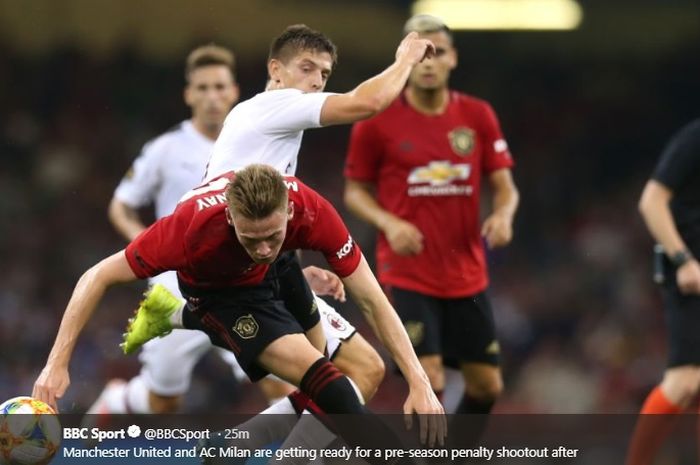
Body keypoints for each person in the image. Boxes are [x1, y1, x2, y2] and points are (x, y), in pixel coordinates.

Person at [32, 165, 446, 450]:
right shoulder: (189, 231)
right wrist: (56, 363)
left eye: (273, 234)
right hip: (222, 294)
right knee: (330, 383)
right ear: (230, 216)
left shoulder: (312, 211)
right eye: (252, 238)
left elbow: (372, 298)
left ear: (288, 209)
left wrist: (418, 382)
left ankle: (229, 447)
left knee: (368, 370)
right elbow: (96, 275)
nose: (263, 247)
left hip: (284, 272)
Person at [89, 43, 384, 416]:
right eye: (203, 88)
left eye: (220, 87)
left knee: (287, 383)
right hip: (176, 278)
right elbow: (121, 203)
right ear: (188, 94)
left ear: (233, 91)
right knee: (163, 401)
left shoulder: (262, 132)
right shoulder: (166, 148)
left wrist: (293, 274)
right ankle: (116, 399)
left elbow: (273, 224)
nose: (212, 96)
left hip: (245, 280)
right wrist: (146, 249)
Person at [343, 14, 519, 442]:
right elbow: (354, 192)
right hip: (407, 273)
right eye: (418, 52)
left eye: (435, 51)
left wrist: (503, 216)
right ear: (406, 57)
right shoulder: (378, 121)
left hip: (466, 274)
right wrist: (389, 221)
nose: (427, 61)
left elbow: (505, 187)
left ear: (451, 58)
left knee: (487, 387)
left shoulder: (477, 116)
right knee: (432, 379)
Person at [203, 23, 435, 180]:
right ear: (276, 69)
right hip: (228, 238)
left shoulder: (249, 110)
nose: (316, 82)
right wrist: (405, 61)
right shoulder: (278, 103)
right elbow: (369, 102)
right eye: (306, 68)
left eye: (324, 74)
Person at [626, 119, 700, 465]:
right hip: (690, 273)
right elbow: (651, 201)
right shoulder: (694, 138)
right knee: (685, 381)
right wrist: (683, 259)